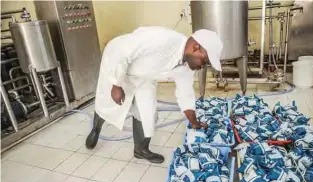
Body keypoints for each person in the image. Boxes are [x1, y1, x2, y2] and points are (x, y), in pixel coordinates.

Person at [85, 26, 223, 164]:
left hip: (145, 74)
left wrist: (194, 122)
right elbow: (123, 51)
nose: (203, 66)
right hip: (117, 60)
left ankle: (140, 150)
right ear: (196, 47)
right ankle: (96, 128)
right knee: (108, 104)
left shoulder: (186, 68)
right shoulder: (163, 39)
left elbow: (185, 95)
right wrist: (116, 84)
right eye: (204, 61)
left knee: (147, 112)